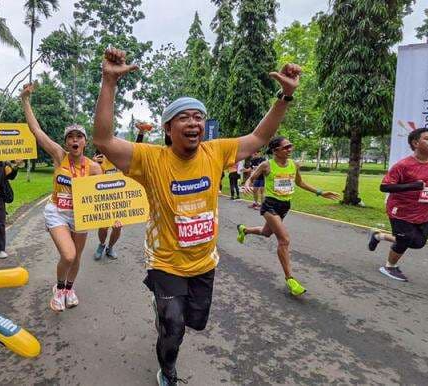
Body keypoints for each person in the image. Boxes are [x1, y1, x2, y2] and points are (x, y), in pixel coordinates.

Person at [92, 47, 300, 386]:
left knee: (194, 322)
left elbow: (261, 137)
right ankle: (168, 369)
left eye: (199, 117)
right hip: (166, 261)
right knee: (173, 327)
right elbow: (102, 138)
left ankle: (166, 314)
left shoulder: (216, 152)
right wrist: (109, 82)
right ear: (169, 128)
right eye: (184, 117)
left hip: (204, 262)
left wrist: (285, 96)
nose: (194, 123)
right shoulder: (150, 158)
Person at [20, 83, 102, 312]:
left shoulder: (95, 168)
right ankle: (58, 288)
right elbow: (36, 131)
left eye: (79, 137)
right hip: (57, 211)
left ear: (85, 142)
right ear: (66, 142)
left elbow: (103, 198)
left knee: (77, 259)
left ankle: (68, 289)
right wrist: (25, 100)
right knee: (68, 254)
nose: (75, 140)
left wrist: (112, 218)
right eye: (71, 137)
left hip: (82, 216)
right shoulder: (59, 156)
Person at [237, 136, 340, 296]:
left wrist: (321, 192)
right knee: (284, 240)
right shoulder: (267, 165)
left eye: (290, 146)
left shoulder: (293, 165)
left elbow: (300, 183)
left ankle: (244, 230)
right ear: (275, 150)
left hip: (285, 205)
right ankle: (290, 279)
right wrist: (248, 184)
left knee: (266, 233)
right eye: (286, 147)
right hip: (270, 204)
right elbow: (252, 177)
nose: (290, 149)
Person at [368, 128, 428, 282]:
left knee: (418, 243)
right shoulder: (403, 165)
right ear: (415, 143)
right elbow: (384, 187)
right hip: (400, 210)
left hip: (422, 212)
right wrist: (411, 186)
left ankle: (378, 235)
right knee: (405, 239)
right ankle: (389, 267)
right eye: (427, 138)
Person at [92, 123, 147, 260]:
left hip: (120, 200)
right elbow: (90, 180)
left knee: (117, 227)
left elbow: (137, 149)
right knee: (103, 227)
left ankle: (110, 248)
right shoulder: (100, 160)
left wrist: (141, 133)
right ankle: (101, 244)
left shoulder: (123, 159)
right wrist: (93, 164)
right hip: (104, 199)